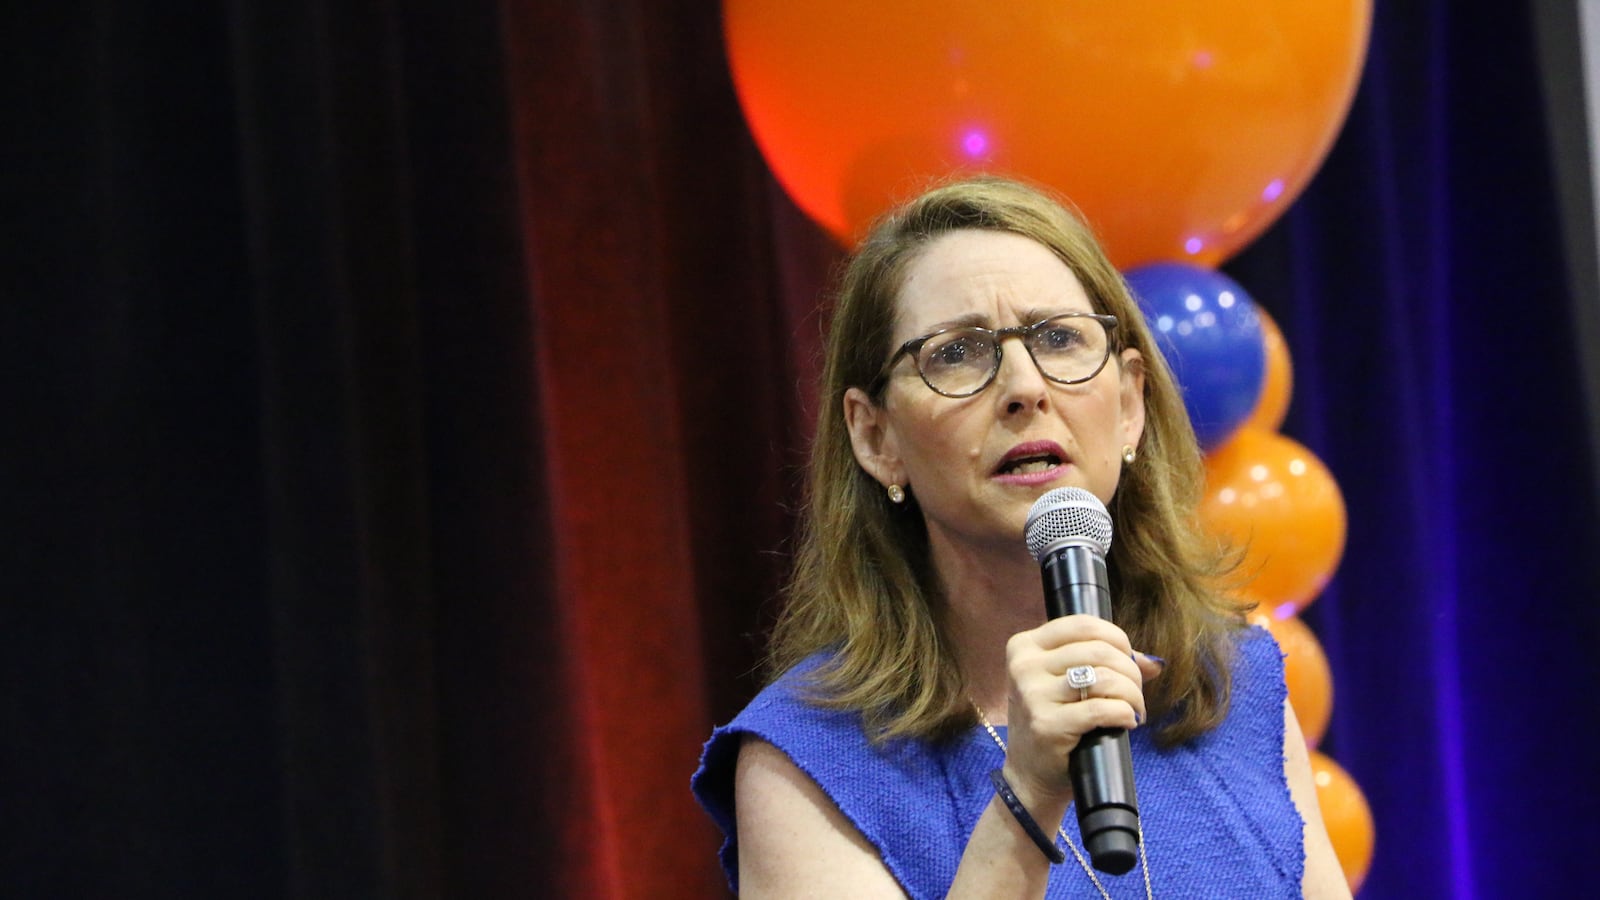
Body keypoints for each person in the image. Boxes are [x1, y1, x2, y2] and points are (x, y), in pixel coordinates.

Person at [692, 176, 1348, 898]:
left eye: (1059, 338)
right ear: (875, 437)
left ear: (1128, 404)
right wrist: (1027, 802)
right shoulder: (808, 765)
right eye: (956, 353)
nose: (1024, 386)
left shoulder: (1235, 681)